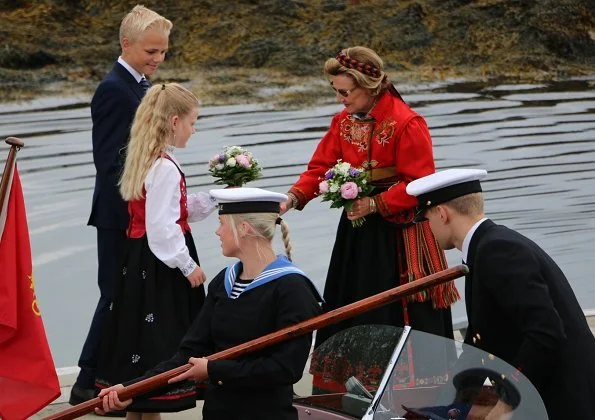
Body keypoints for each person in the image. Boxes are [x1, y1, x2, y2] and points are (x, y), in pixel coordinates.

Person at [280, 46, 459, 355]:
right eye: (336, 91)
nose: (340, 99)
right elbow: (320, 168)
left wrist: (376, 204)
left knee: (390, 307)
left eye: (345, 92)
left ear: (368, 86)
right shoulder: (342, 123)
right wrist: (292, 198)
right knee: (353, 302)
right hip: (357, 231)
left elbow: (420, 184)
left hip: (400, 237)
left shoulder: (407, 123)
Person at [95, 187, 323, 420]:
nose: (217, 232)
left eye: (222, 223)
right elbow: (187, 355)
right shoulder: (223, 283)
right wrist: (132, 389)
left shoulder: (293, 289)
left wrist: (214, 370)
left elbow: (286, 368)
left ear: (243, 229)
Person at [406, 168, 595, 419]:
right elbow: (479, 342)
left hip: (564, 402)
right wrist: (450, 404)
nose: (427, 229)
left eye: (426, 219)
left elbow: (546, 333)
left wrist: (506, 404)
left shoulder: (497, 250)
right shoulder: (486, 247)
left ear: (442, 213)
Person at [93, 83, 214, 417]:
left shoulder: (148, 159)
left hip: (137, 262)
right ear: (174, 122)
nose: (194, 129)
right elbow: (162, 228)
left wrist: (213, 199)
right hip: (160, 267)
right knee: (160, 345)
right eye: (192, 122)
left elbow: (168, 210)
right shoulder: (165, 168)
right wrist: (188, 266)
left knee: (139, 349)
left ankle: (140, 411)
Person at [72, 5, 172, 405]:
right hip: (120, 214)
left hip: (139, 211)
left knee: (130, 295)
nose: (158, 59)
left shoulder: (141, 86)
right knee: (114, 294)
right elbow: (110, 160)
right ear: (125, 44)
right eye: (151, 51)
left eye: (163, 52)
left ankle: (118, 376)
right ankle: (85, 381)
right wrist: (149, 196)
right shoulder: (114, 89)